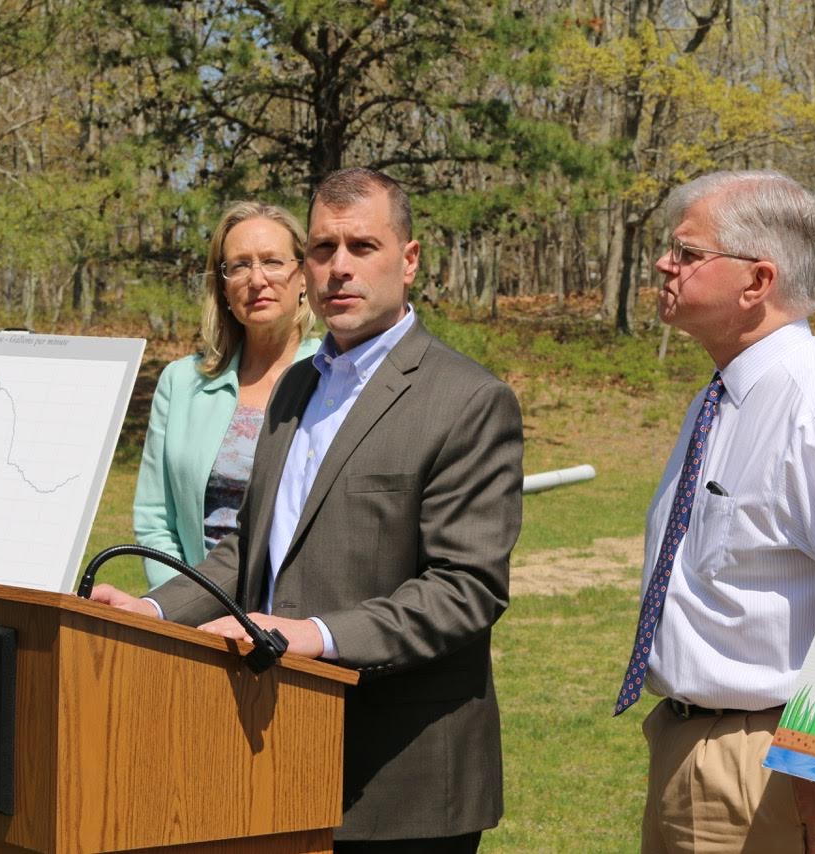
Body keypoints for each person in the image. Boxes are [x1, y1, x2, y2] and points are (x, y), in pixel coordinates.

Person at [93, 168, 523, 853]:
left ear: (408, 261)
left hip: (399, 781)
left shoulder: (466, 400)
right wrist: (153, 612)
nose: (339, 269)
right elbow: (250, 548)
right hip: (276, 753)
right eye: (323, 249)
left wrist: (314, 634)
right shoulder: (297, 386)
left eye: (363, 247)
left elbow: (465, 590)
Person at [614, 170, 815, 854]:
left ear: (757, 281)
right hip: (689, 741)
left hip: (767, 764)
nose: (663, 264)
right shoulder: (723, 395)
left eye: (687, 252)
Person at [133, 201, 320, 588]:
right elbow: (154, 520)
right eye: (238, 265)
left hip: (296, 623)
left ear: (302, 276)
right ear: (223, 287)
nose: (256, 280)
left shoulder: (334, 376)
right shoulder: (182, 382)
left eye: (272, 261)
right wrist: (182, 609)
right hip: (194, 617)